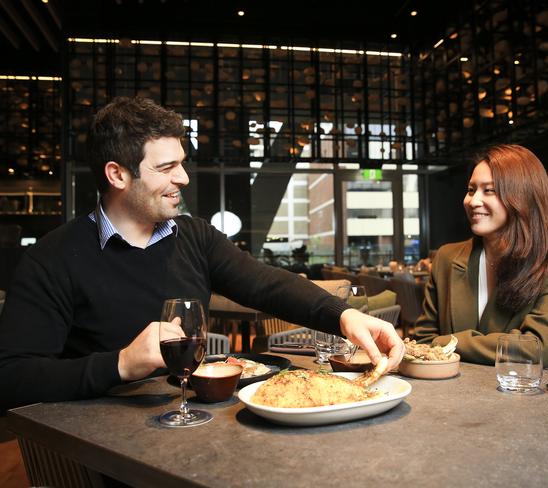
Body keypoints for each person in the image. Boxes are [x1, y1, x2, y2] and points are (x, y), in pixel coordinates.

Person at [0, 97, 404, 411]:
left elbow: (266, 284)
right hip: (106, 448)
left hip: (194, 423)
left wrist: (345, 316)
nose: (183, 178)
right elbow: (11, 377)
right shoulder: (52, 258)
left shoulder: (194, 236)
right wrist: (120, 364)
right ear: (118, 174)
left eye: (183, 164)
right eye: (166, 167)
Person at [414, 144, 548, 367]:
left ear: (522, 197)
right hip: (450, 395)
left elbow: (536, 348)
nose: (473, 201)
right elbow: (422, 342)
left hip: (519, 396)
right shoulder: (446, 257)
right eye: (471, 190)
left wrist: (452, 342)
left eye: (489, 190)